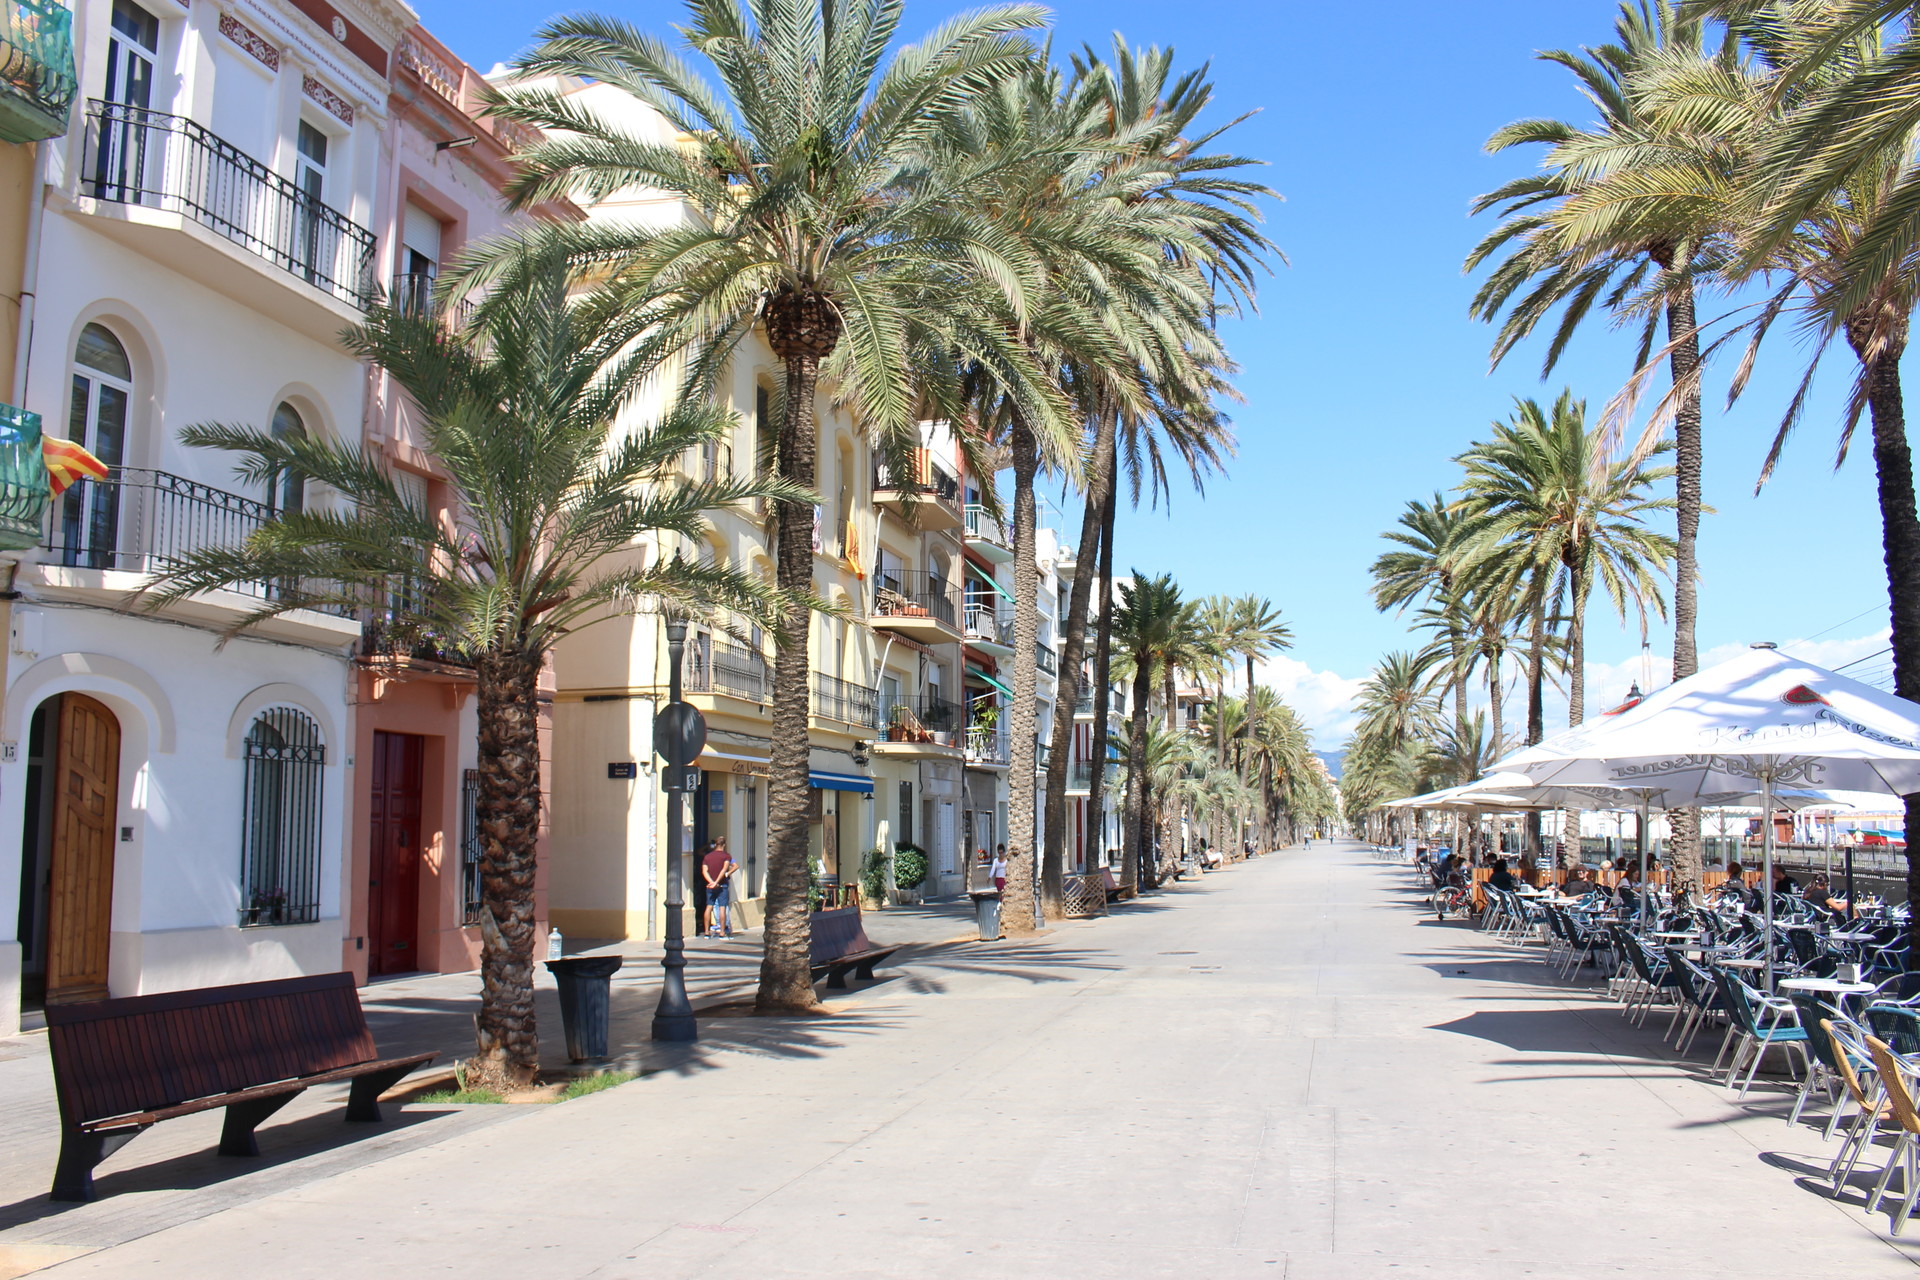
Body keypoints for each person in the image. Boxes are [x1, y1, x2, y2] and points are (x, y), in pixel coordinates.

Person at [701, 838, 737, 939]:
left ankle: (707, 932)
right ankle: (722, 932)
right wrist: (716, 882)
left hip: (710, 886)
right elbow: (724, 869)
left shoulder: (707, 857)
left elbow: (704, 871)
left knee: (709, 907)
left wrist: (711, 882)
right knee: (722, 908)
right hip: (722, 885)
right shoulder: (726, 856)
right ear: (724, 845)